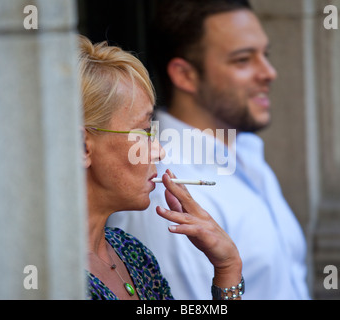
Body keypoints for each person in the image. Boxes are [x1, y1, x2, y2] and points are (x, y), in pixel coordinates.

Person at [108, 0, 310, 299]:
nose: (268, 72)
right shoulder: (159, 190)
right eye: (243, 60)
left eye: (264, 56)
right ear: (185, 75)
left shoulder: (246, 154)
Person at [78, 35, 244, 300]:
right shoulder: (49, 275)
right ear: (82, 146)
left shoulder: (132, 253)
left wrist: (227, 269)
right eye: (143, 131)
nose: (159, 150)